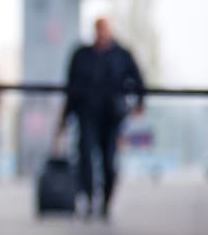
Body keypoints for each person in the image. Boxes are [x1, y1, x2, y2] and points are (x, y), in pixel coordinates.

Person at [56, 17, 146, 218]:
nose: (101, 34)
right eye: (98, 30)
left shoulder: (122, 55)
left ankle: (106, 201)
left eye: (104, 30)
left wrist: (140, 104)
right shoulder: (81, 55)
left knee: (109, 160)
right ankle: (87, 198)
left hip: (112, 117)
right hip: (87, 114)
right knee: (85, 156)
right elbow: (70, 88)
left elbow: (138, 80)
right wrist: (63, 119)